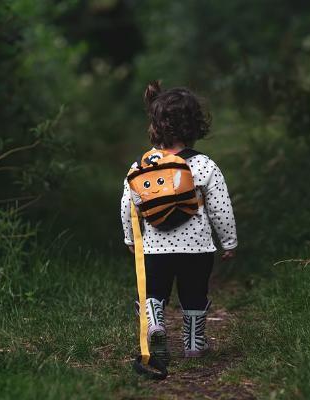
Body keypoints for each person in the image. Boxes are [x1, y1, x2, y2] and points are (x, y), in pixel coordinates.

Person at [120, 80, 238, 361]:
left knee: (154, 292)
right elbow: (221, 208)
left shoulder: (140, 166)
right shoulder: (205, 164)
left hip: (155, 248)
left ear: (156, 126)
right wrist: (229, 241)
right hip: (196, 249)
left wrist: (130, 238)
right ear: (196, 126)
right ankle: (195, 343)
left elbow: (128, 205)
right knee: (194, 294)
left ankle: (156, 324)